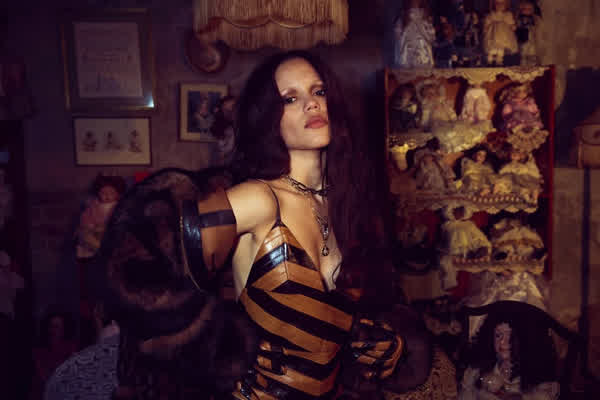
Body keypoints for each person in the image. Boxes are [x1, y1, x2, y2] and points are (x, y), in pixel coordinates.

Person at [95, 50, 446, 399]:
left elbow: (344, 315)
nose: (311, 103)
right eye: (290, 98)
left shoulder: (345, 203)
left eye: (318, 91)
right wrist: (223, 350)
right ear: (267, 118)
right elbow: (134, 270)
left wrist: (380, 342)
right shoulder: (258, 199)